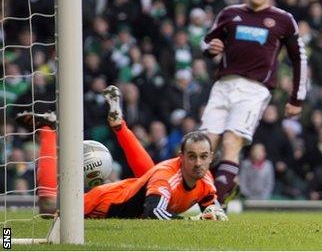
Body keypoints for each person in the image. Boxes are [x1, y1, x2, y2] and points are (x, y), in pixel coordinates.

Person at [18, 85, 227, 220]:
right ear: (181, 157)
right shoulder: (167, 177)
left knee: (151, 174)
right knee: (48, 208)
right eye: (192, 156)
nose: (198, 163)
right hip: (108, 202)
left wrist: (214, 214)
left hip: (137, 187)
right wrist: (194, 221)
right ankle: (48, 129)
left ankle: (119, 126)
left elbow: (213, 208)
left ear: (210, 158)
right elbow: (153, 212)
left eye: (203, 157)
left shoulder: (205, 179)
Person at [200, 0, 307, 205]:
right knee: (204, 148)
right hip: (223, 86)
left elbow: (299, 57)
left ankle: (212, 206)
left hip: (254, 90)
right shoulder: (229, 13)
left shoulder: (283, 20)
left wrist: (296, 98)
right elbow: (207, 42)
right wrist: (210, 49)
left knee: (231, 142)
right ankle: (218, 191)